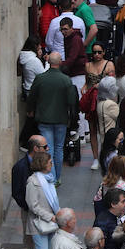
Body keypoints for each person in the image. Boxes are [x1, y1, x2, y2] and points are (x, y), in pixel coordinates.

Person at [28, 52, 79, 182]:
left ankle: (52, 177)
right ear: (60, 62)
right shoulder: (66, 80)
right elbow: (72, 101)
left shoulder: (40, 78)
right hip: (61, 118)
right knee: (58, 148)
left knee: (48, 147)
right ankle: (57, 177)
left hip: (44, 118)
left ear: (49, 62)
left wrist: (31, 110)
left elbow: (32, 97)